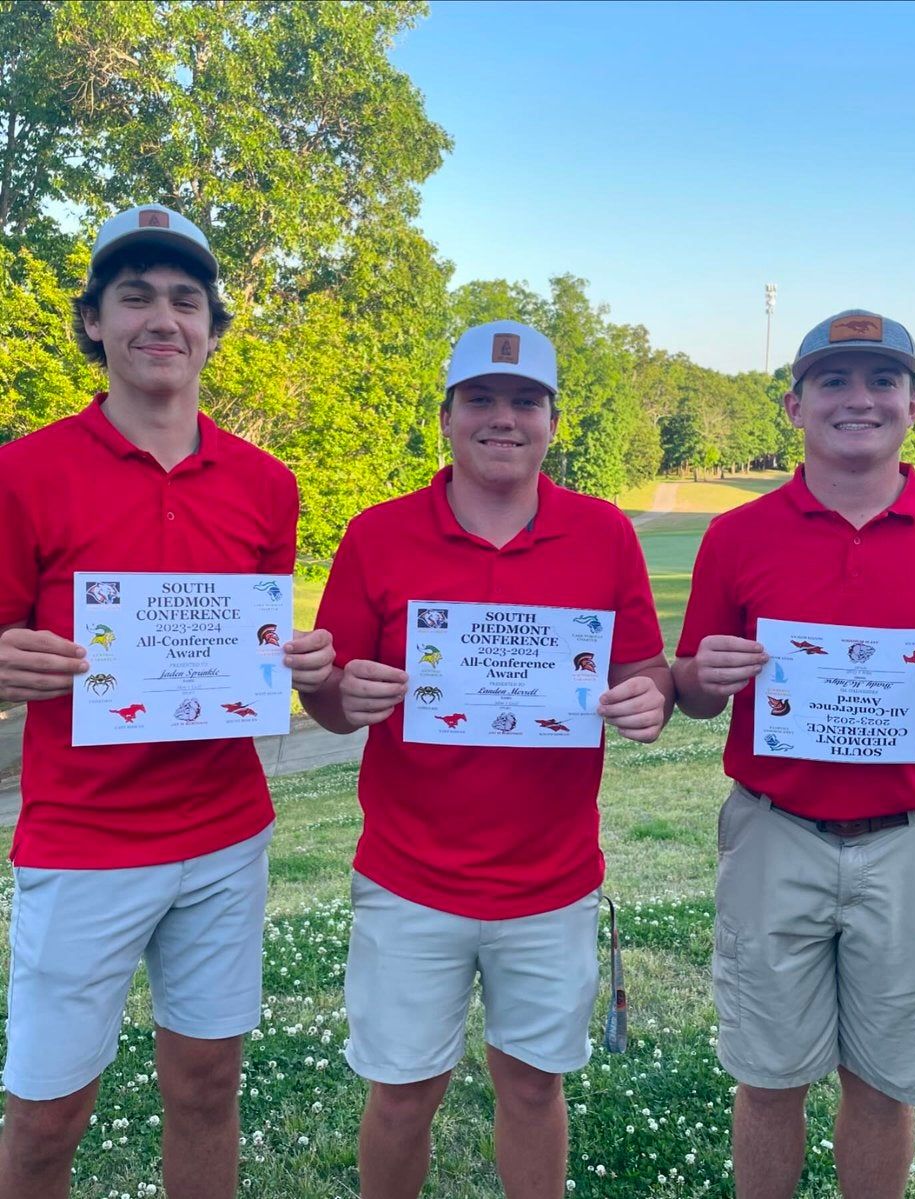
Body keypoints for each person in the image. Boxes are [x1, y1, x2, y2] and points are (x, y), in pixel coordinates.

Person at [0, 204, 334, 1199]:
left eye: (186, 301)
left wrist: (299, 661)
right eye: (134, 295)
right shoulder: (22, 470)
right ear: (94, 320)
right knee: (47, 1111)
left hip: (225, 833)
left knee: (208, 1082)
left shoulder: (266, 485)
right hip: (84, 835)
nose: (162, 318)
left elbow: (257, 652)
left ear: (212, 330)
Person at [299, 319, 673, 1199]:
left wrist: (648, 698)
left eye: (524, 401)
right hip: (408, 875)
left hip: (551, 878)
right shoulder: (379, 534)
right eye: (481, 399)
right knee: (401, 1095)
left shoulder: (604, 534)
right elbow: (329, 693)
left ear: (551, 421)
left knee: (535, 1086)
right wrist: (337, 696)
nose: (502, 418)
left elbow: (646, 668)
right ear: (447, 415)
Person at [672, 309, 915, 1199]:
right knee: (770, 1077)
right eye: (833, 381)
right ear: (794, 406)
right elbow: (687, 692)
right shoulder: (739, 535)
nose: (858, 399)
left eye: (881, 380)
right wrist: (703, 673)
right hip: (776, 833)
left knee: (884, 1079)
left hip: (914, 839)